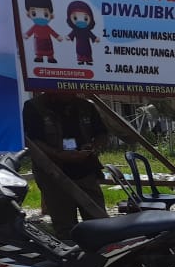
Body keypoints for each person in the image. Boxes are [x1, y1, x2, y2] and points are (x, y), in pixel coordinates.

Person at [21, 91, 109, 242]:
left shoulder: (86, 106)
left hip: (85, 169)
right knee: (65, 224)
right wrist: (58, 154)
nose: (69, 94)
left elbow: (102, 133)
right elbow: (32, 140)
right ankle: (72, 257)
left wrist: (92, 148)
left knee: (98, 219)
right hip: (53, 173)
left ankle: (103, 254)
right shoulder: (33, 107)